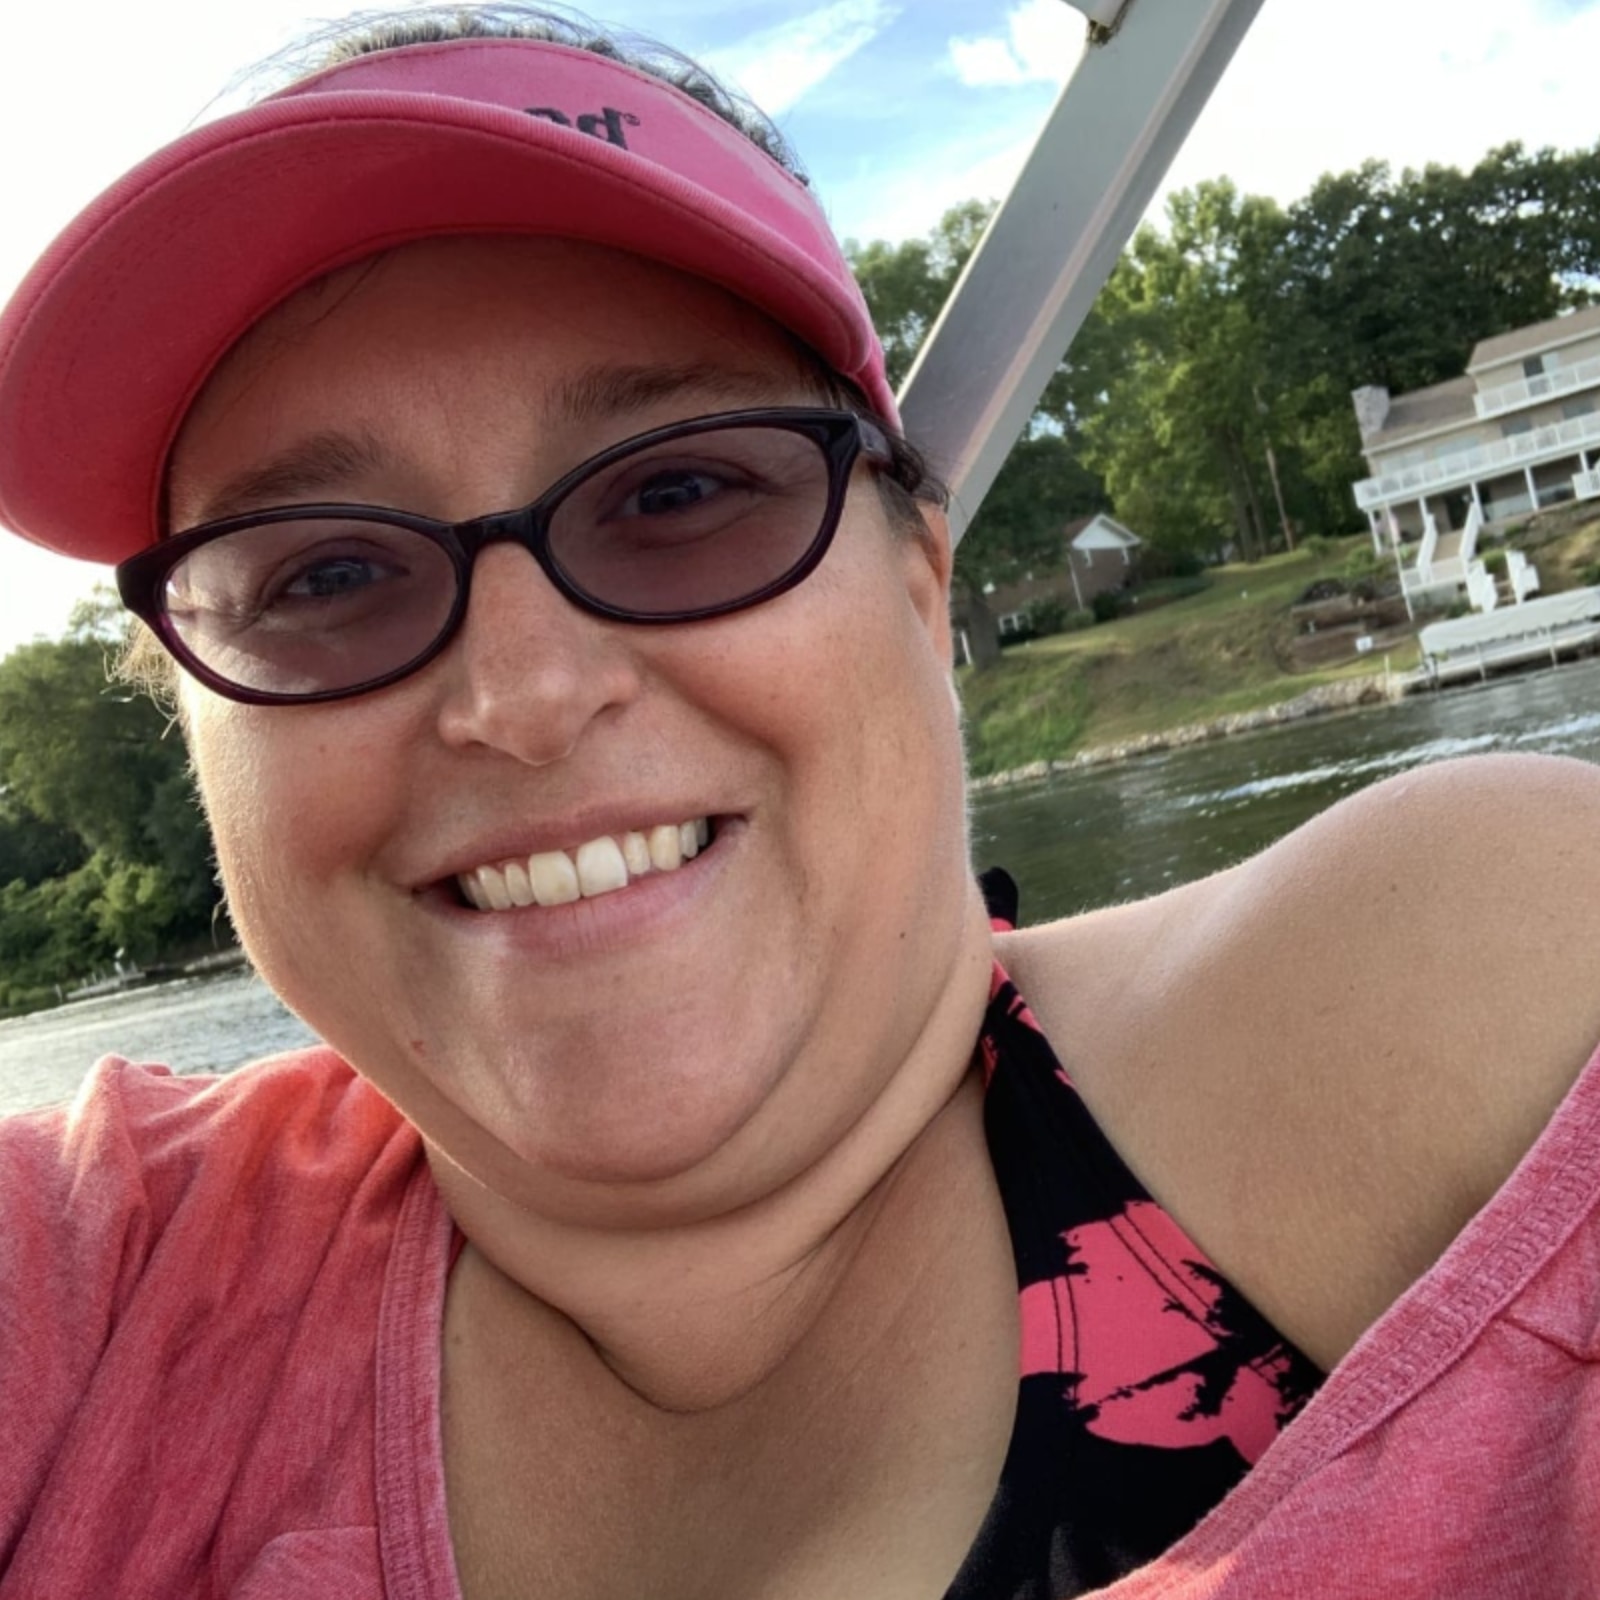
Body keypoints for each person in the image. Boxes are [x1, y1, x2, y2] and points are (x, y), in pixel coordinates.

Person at [0, 9, 1597, 1598]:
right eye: (325, 576)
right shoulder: (96, 1275)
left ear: (919, 579)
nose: (525, 697)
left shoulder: (1471, 999)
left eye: (677, 492)